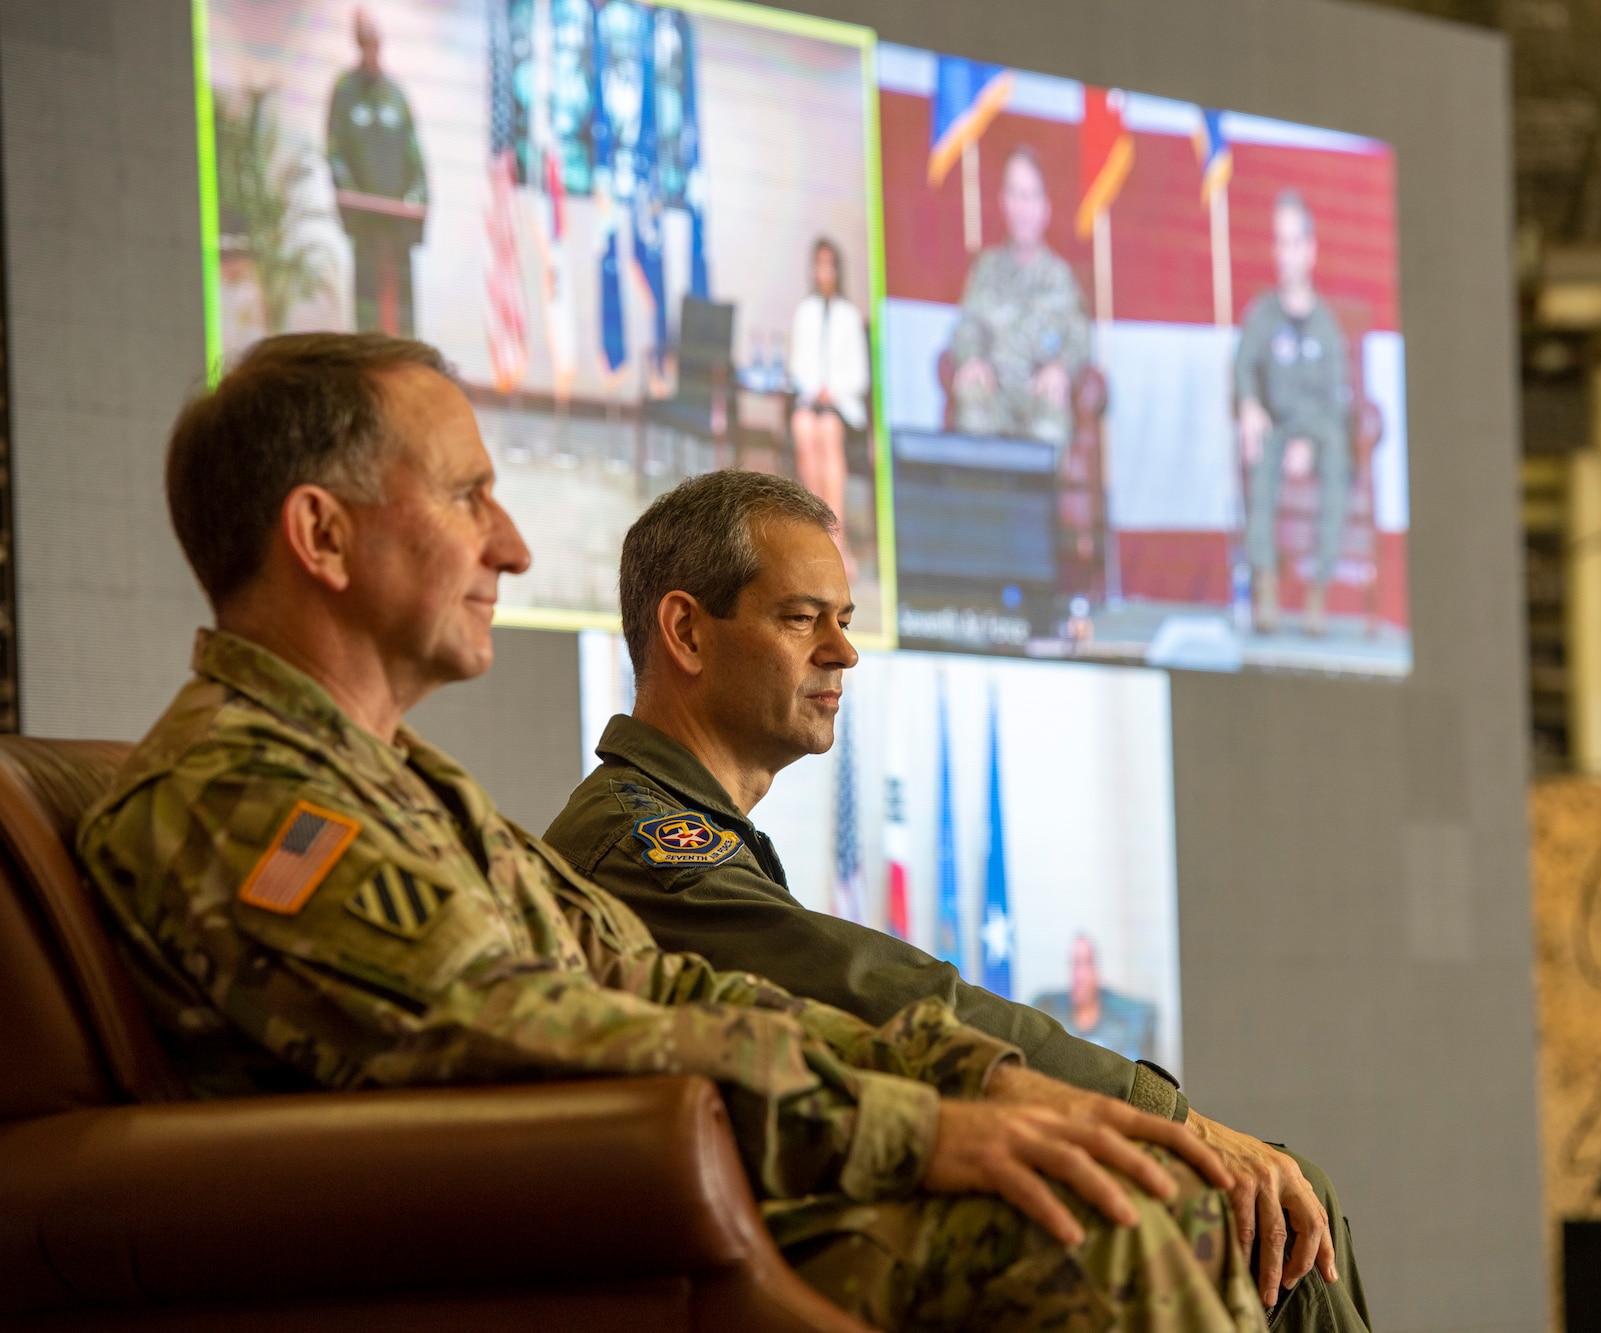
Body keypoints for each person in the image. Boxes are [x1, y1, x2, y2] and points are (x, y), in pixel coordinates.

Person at [76, 333, 1266, 1332]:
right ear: (322, 535)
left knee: (1161, 1193)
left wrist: (976, 1077)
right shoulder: (238, 799)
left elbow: (653, 982)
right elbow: (520, 1043)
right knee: (1105, 1229)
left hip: (636, 1209)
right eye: (465, 496)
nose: (514, 546)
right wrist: (921, 1128)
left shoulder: (395, 783)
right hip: (548, 1260)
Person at [543, 470, 1373, 1332]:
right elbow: (877, 991)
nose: (843, 651)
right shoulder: (639, 843)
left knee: (1287, 1200)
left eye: (845, 620)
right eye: (801, 618)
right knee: (1253, 1215)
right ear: (686, 630)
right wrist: (1163, 1118)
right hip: (747, 1256)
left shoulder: (679, 826)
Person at [1234, 190, 1352, 637]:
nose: (1286, 254)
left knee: (1338, 455)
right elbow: (1243, 367)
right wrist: (1248, 405)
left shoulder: (1326, 323)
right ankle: (1265, 581)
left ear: (1310, 249)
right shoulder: (1262, 315)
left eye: (1294, 242)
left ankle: (1318, 589)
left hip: (1318, 432)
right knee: (1261, 444)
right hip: (1277, 425)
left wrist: (1309, 441)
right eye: (1278, 243)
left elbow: (1337, 398)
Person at [948, 145, 1090, 451]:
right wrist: (971, 358)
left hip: (1039, 395)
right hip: (993, 392)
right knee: (972, 400)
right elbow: (966, 327)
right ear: (1003, 202)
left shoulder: (1060, 277)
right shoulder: (986, 269)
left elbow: (1080, 338)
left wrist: (1062, 368)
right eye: (1015, 193)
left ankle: (1040, 498)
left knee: (1051, 418)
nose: (1023, 206)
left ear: (1045, 206)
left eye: (1031, 195)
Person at [326, 9, 428, 336]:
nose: (372, 48)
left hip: (397, 219)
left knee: (403, 295)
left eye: (376, 41)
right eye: (366, 41)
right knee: (368, 291)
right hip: (366, 220)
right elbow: (334, 152)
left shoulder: (396, 94)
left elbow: (415, 155)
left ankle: (410, 357)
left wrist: (417, 199)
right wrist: (352, 198)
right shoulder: (345, 91)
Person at [788, 237, 870, 575]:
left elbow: (860, 375)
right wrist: (814, 390)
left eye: (829, 264)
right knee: (803, 427)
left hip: (841, 405)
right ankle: (814, 532)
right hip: (811, 399)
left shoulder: (849, 315)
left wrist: (832, 392)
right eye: (818, 264)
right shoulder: (804, 312)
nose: (824, 271)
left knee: (828, 430)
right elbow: (795, 365)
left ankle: (836, 538)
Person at [1033, 933, 1158, 1063]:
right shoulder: (1049, 1013)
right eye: (1074, 963)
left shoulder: (1126, 1023)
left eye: (1085, 963)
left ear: (1096, 969)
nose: (1078, 976)